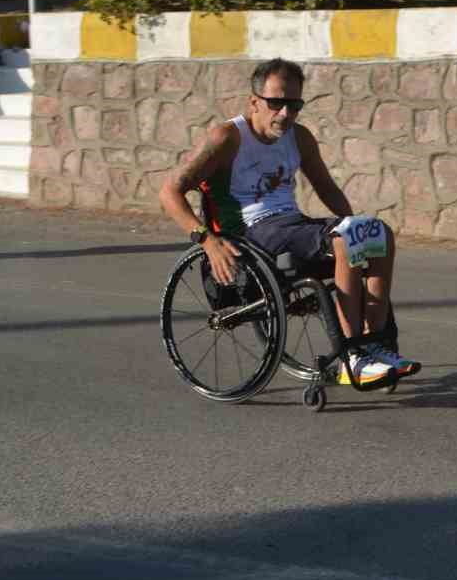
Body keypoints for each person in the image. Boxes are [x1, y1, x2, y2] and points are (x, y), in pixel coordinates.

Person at [159, 57, 418, 385]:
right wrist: (206, 240)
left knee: (377, 234)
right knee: (345, 240)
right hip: (249, 235)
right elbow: (170, 191)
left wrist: (355, 225)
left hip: (290, 225)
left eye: (294, 105)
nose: (285, 113)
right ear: (254, 102)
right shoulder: (227, 138)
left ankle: (375, 344)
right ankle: (353, 356)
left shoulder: (300, 138)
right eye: (276, 103)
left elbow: (326, 187)